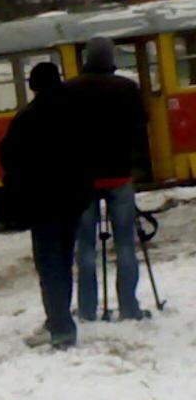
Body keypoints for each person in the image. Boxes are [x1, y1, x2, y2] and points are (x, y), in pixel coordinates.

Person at [0, 62, 93, 350]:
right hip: (73, 200)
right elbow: (91, 150)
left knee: (50, 266)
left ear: (34, 86)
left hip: (41, 204)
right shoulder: (78, 112)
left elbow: (8, 156)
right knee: (64, 260)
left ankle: (61, 327)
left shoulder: (26, 119)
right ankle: (59, 320)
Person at [68, 36, 150, 322]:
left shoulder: (71, 90)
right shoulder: (127, 88)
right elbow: (141, 127)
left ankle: (88, 310)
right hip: (119, 175)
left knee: (86, 246)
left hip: (83, 180)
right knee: (126, 242)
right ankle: (129, 306)